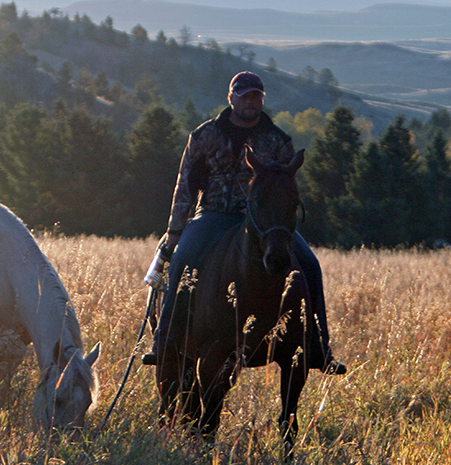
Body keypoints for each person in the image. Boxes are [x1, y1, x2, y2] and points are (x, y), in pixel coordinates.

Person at [142, 71, 346, 375]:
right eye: (245, 96)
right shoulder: (204, 136)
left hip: (263, 222)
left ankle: (318, 346)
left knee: (310, 264)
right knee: (183, 258)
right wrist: (175, 230)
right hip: (212, 214)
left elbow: (287, 190)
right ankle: (166, 340)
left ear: (261, 100)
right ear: (231, 98)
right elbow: (185, 184)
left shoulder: (278, 141)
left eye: (256, 96)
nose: (251, 102)